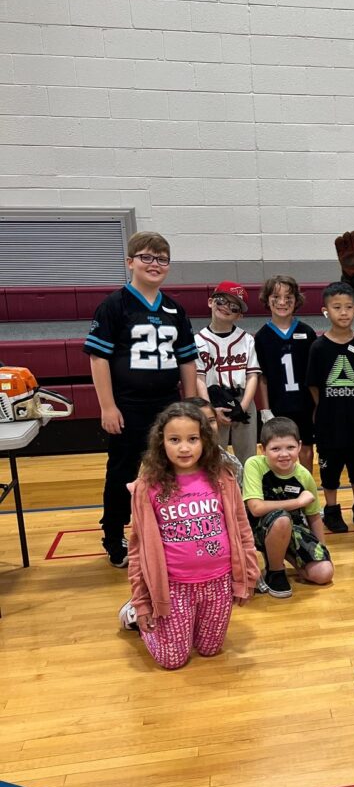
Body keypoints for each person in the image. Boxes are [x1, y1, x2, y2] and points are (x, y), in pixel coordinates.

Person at [84, 231, 198, 568]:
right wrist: (107, 406)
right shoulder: (114, 305)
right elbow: (98, 359)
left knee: (175, 467)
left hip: (168, 405)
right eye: (146, 257)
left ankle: (172, 527)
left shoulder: (175, 309)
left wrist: (190, 407)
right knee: (123, 470)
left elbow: (187, 361)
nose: (154, 264)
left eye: (162, 259)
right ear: (130, 262)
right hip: (128, 405)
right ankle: (114, 534)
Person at [120, 401, 258, 669]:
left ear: (205, 440)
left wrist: (248, 576)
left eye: (192, 439)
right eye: (175, 440)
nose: (184, 448)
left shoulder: (223, 478)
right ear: (161, 442)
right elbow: (137, 549)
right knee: (173, 661)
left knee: (210, 649)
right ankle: (134, 616)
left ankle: (183, 626)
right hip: (173, 586)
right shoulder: (147, 486)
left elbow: (243, 530)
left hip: (218, 582)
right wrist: (142, 601)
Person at [306, 282, 354, 534]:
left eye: (348, 307)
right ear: (326, 311)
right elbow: (314, 384)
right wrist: (323, 407)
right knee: (330, 470)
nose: (343, 312)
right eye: (337, 307)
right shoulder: (318, 347)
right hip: (329, 422)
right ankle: (332, 511)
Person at [242, 415, 333, 598]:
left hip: (292, 530)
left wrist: (321, 549)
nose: (284, 454)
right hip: (258, 530)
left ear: (299, 446)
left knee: (324, 573)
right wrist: (297, 502)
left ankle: (282, 552)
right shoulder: (254, 465)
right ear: (262, 449)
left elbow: (314, 517)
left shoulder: (304, 476)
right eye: (275, 448)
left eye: (290, 447)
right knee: (282, 519)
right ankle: (275, 571)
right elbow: (256, 508)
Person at [254, 275, 318, 471]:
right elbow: (262, 377)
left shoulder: (307, 333)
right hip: (278, 404)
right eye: (276, 297)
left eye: (288, 297)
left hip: (304, 403)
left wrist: (317, 404)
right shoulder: (262, 336)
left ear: (296, 300)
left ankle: (307, 484)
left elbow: (314, 375)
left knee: (306, 448)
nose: (282, 302)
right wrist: (265, 409)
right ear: (267, 300)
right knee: (279, 449)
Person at [194, 281, 260, 466]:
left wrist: (243, 407)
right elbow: (199, 378)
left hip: (243, 399)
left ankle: (247, 485)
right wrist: (210, 410)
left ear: (239, 315)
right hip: (213, 400)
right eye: (221, 301)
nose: (226, 308)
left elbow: (252, 375)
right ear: (210, 302)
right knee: (214, 454)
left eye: (234, 307)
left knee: (248, 456)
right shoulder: (198, 340)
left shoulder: (247, 340)